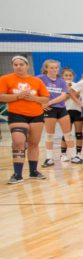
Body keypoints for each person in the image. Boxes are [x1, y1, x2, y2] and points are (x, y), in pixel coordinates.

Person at [0, 55, 50, 184]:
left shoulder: (36, 81)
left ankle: (33, 171)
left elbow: (45, 99)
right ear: (13, 66)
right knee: (18, 142)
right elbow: (1, 97)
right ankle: (17, 174)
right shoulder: (5, 79)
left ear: (27, 66)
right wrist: (18, 96)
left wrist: (33, 98)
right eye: (15, 65)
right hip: (17, 114)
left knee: (33, 143)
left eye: (21, 64)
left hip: (36, 115)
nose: (18, 67)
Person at [38, 59, 77, 166]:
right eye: (51, 68)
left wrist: (49, 102)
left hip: (61, 108)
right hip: (49, 110)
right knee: (50, 134)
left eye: (56, 68)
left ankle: (73, 156)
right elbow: (35, 92)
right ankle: (49, 158)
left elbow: (64, 95)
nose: (54, 69)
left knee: (68, 133)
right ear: (46, 69)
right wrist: (41, 104)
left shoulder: (61, 81)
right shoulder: (40, 79)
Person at [60, 67, 83, 163]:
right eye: (66, 75)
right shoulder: (60, 86)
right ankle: (63, 154)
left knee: (79, 133)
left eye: (70, 75)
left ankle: (78, 153)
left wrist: (73, 90)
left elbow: (78, 96)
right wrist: (69, 91)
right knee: (67, 133)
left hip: (77, 110)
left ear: (73, 76)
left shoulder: (77, 85)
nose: (68, 77)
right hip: (66, 111)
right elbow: (63, 99)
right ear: (62, 76)